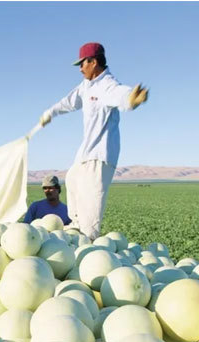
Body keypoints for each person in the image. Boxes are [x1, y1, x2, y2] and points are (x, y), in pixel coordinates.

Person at [39, 42, 148, 240]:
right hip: (85, 154)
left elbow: (120, 94)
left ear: (94, 62)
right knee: (72, 178)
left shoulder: (107, 85)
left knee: (91, 209)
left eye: (82, 63)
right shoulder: (86, 86)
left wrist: (131, 99)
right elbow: (69, 101)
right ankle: (77, 225)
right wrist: (50, 113)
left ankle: (88, 240)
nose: (80, 69)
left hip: (100, 155)